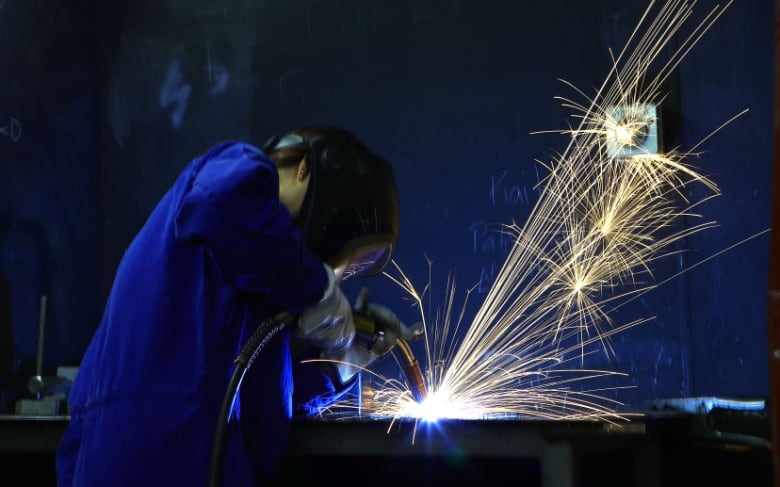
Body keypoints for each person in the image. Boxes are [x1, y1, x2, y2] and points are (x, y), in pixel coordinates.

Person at [55, 126, 418, 486]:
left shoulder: (262, 281)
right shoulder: (234, 173)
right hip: (152, 459)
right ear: (305, 169)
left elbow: (266, 407)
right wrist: (314, 288)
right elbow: (222, 202)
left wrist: (342, 362)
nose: (336, 275)